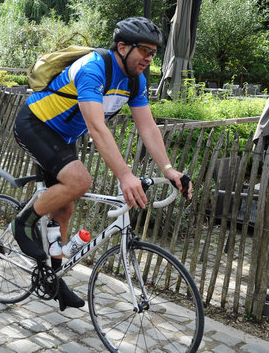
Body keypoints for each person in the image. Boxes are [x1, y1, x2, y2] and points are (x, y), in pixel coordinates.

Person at [11, 17, 192, 311]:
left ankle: (53, 280)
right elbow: (96, 128)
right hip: (35, 124)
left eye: (153, 53)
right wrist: (125, 175)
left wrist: (169, 170)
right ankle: (23, 222)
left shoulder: (136, 81)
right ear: (122, 47)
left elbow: (147, 127)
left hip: (63, 136)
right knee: (79, 182)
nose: (149, 58)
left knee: (65, 206)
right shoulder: (94, 68)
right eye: (144, 50)